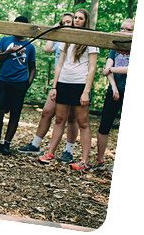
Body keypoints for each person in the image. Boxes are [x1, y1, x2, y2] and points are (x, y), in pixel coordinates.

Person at [38, 9, 99, 171]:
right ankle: (50, 153)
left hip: (80, 85)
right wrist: (54, 86)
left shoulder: (91, 38)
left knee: (83, 123)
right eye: (75, 18)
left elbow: (92, 68)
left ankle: (84, 161)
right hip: (64, 82)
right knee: (59, 119)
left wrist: (86, 91)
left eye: (80, 18)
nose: (77, 20)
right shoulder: (67, 36)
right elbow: (60, 64)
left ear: (86, 21)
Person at [17, 12, 79, 161]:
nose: (66, 24)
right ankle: (35, 144)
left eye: (69, 22)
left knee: (71, 118)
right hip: (58, 81)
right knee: (47, 112)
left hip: (73, 81)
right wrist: (54, 29)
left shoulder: (78, 40)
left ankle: (68, 151)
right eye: (63, 22)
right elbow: (47, 48)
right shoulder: (60, 40)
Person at [0, 16, 37, 156]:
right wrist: (11, 50)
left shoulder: (30, 46)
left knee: (15, 114)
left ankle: (7, 144)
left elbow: (32, 67)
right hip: (3, 81)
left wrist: (27, 83)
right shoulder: (4, 40)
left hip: (20, 83)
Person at [95, 18, 134, 172]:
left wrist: (111, 70)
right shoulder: (115, 46)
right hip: (114, 90)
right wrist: (114, 86)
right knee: (104, 125)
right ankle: (99, 160)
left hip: (131, 90)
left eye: (127, 29)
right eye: (122, 28)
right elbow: (107, 67)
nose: (123, 31)